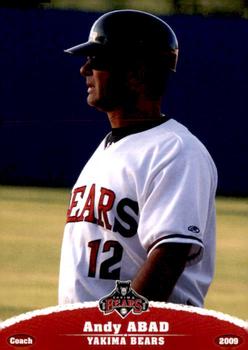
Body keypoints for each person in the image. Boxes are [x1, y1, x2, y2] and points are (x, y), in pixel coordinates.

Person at [59, 9, 217, 307]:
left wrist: (117, 331)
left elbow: (169, 256)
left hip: (144, 334)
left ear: (136, 72)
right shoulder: (109, 148)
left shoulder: (176, 150)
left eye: (98, 60)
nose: (84, 70)